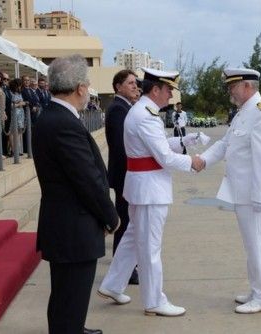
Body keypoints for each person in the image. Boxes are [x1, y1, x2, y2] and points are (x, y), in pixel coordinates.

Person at [98, 68, 204, 317]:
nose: (170, 96)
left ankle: (112, 284)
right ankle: (154, 300)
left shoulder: (143, 111)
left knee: (133, 239)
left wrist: (184, 142)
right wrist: (192, 163)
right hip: (149, 190)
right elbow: (164, 157)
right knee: (149, 247)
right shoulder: (145, 115)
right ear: (155, 90)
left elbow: (155, 147)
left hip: (143, 187)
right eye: (168, 90)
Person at [32, 55, 119, 334]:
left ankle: (72, 327)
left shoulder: (54, 117)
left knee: (68, 295)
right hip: (73, 225)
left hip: (65, 223)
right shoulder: (63, 123)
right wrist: (110, 216)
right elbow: (87, 180)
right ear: (81, 87)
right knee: (70, 294)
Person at [200, 68, 261, 314]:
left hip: (256, 195)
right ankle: (257, 289)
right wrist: (201, 160)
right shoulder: (243, 112)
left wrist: (260, 197)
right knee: (252, 245)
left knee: (259, 245)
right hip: (243, 193)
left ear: (247, 86)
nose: (230, 91)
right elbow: (225, 144)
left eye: (232, 86)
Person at [104, 69, 140, 284]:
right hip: (125, 175)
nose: (135, 86)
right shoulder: (118, 109)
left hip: (127, 174)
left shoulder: (126, 107)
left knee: (128, 220)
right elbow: (121, 146)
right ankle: (124, 270)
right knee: (124, 222)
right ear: (118, 86)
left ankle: (128, 267)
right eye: (130, 83)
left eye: (135, 83)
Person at [8, 79, 26, 156]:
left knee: (19, 132)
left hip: (20, 114)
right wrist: (20, 104)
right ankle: (14, 150)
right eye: (19, 85)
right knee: (12, 132)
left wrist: (22, 103)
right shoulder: (12, 94)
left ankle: (18, 149)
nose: (20, 87)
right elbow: (12, 106)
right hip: (15, 114)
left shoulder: (19, 93)